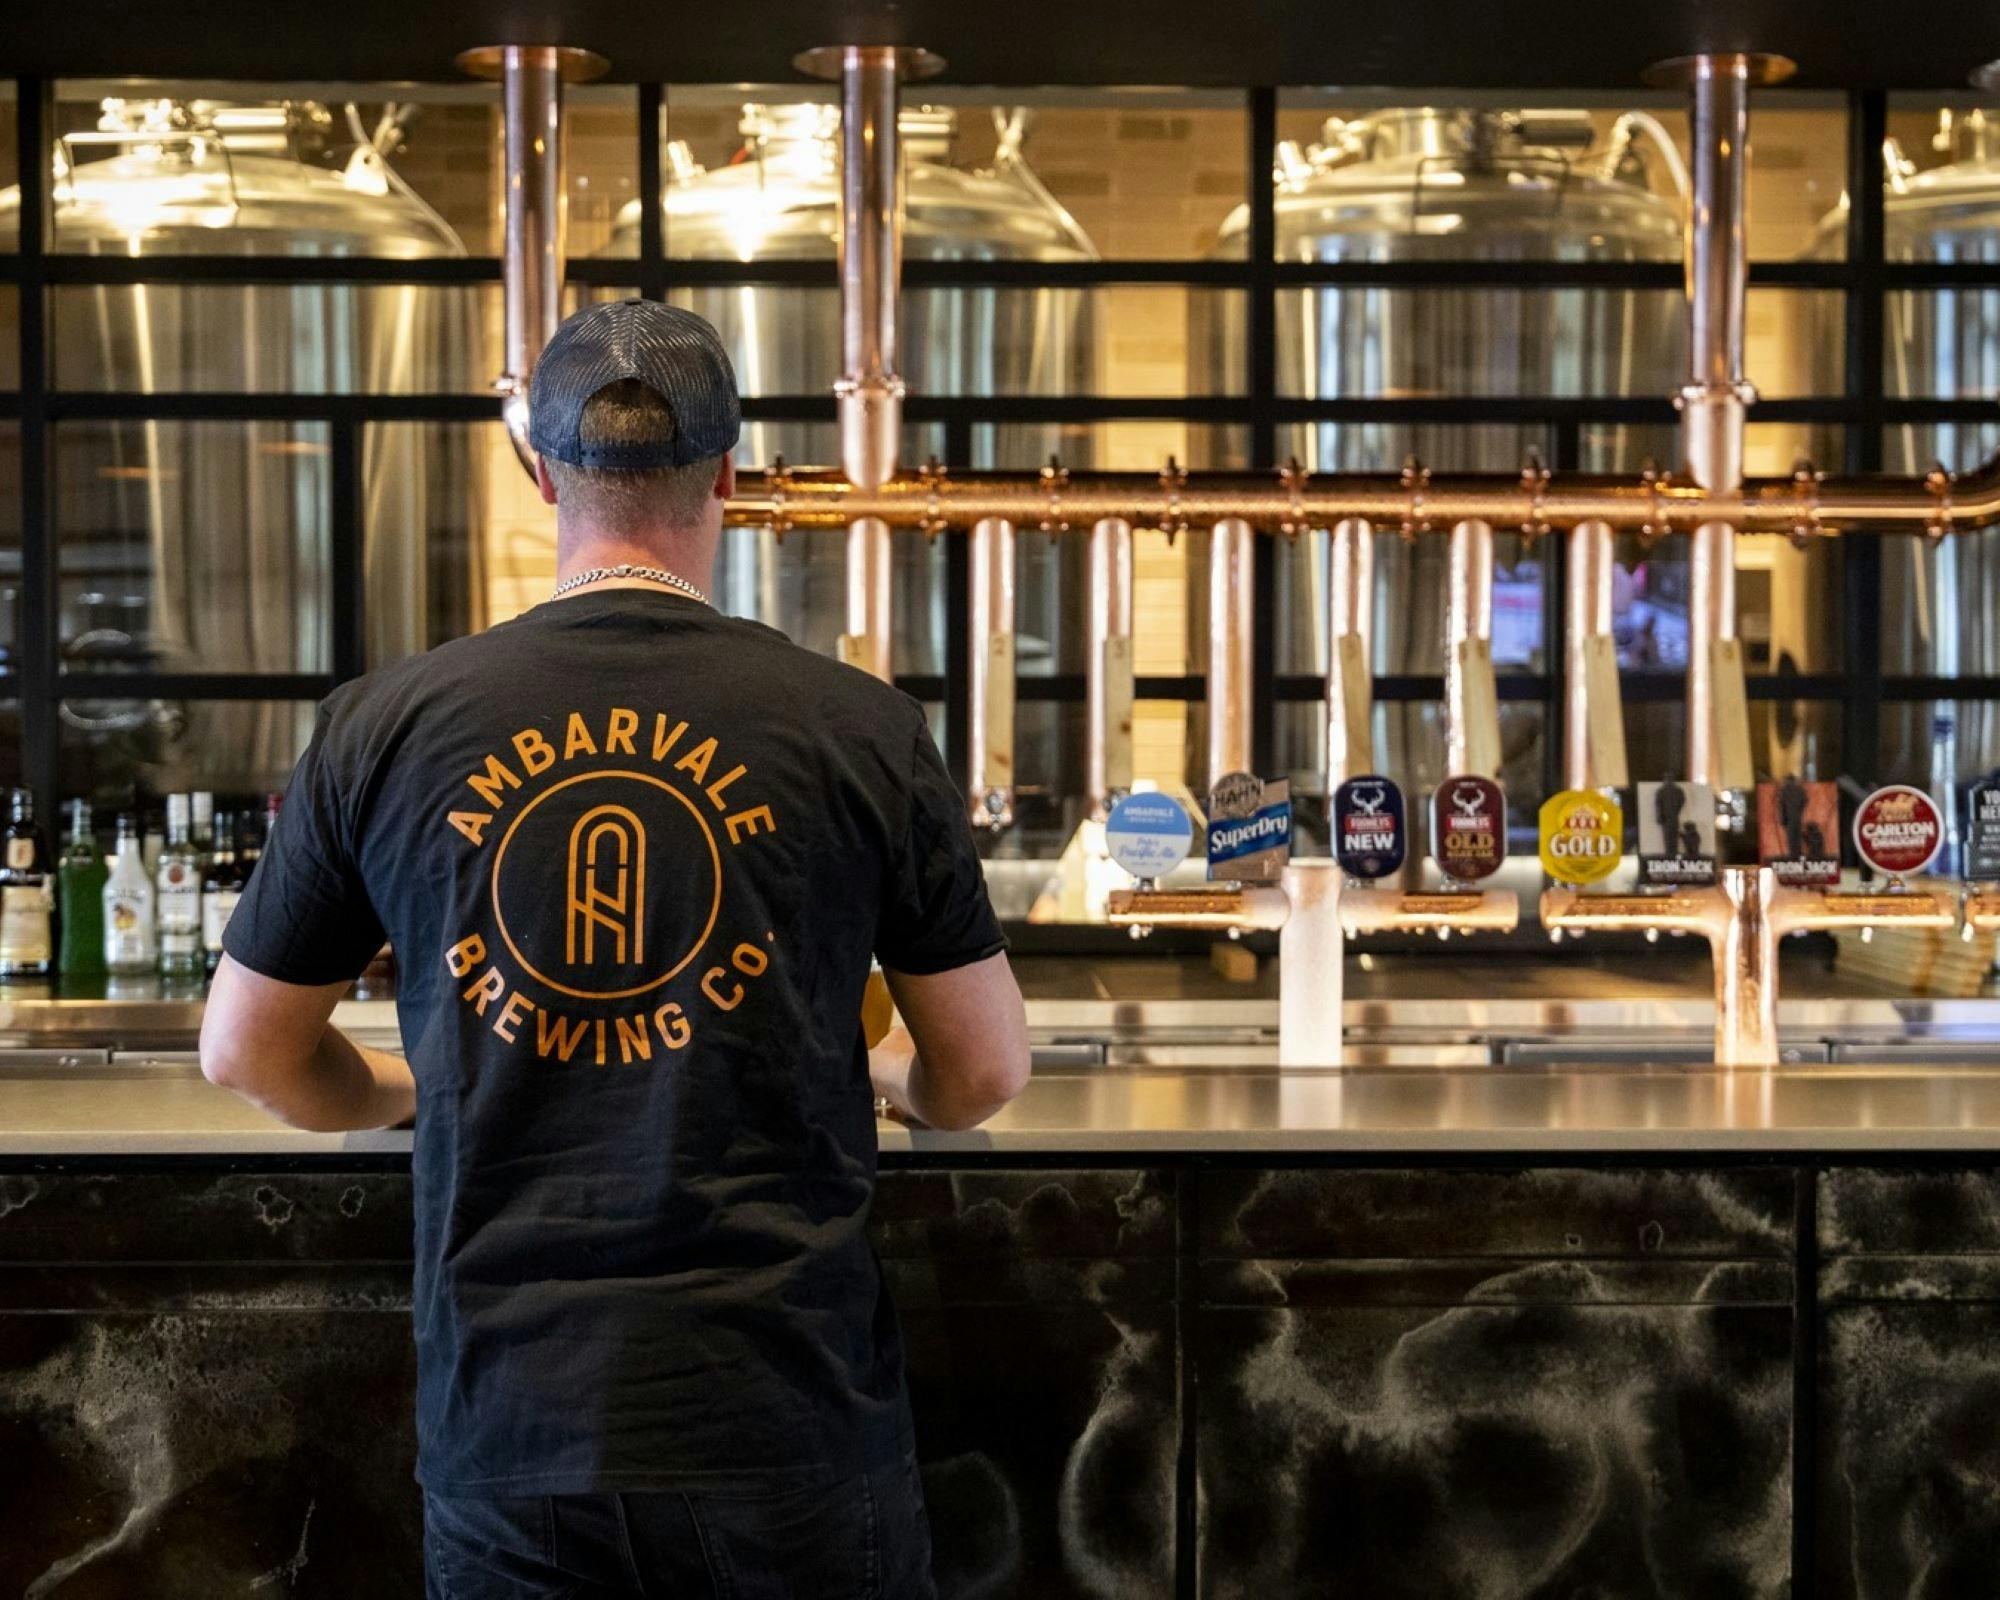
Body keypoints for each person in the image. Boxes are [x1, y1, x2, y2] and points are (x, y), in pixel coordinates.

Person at [200, 299, 1032, 1598]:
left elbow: (246, 1052)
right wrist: (899, 1090)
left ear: (538, 473)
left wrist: (385, 1095)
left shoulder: (389, 724)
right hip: (785, 1416)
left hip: (515, 1430)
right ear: (733, 477)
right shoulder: (860, 728)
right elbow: (983, 1071)